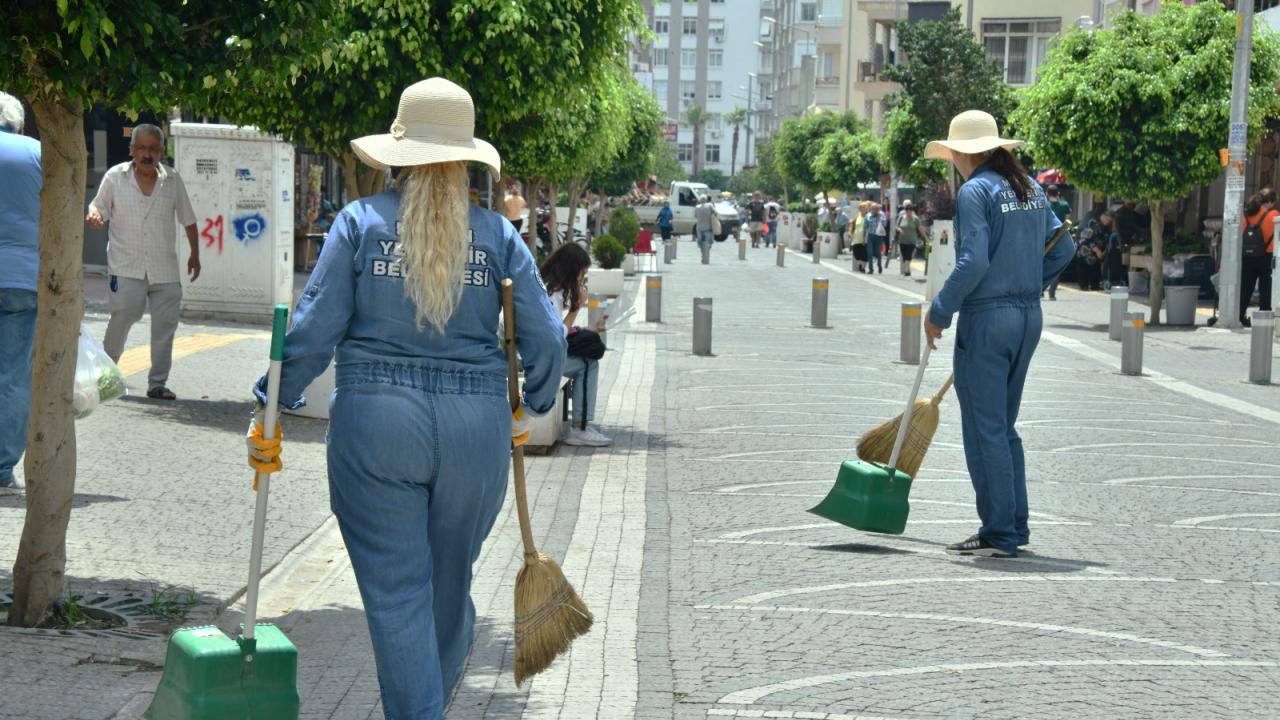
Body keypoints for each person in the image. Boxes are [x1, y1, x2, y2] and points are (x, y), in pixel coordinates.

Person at [246, 78, 566, 718]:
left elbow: (312, 329)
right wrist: (530, 402)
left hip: (378, 422)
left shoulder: (360, 224)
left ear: (398, 154)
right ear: (465, 160)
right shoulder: (499, 237)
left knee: (398, 594)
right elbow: (547, 336)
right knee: (449, 589)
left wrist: (270, 403)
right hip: (477, 427)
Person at [922, 110, 1074, 558]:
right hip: (1028, 317)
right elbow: (1064, 247)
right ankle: (1014, 523)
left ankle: (999, 530)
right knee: (1004, 427)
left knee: (985, 429)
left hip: (988, 319)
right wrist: (1029, 280)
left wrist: (939, 311)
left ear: (958, 153)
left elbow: (973, 263)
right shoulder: (1030, 188)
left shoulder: (975, 191)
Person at [85, 123, 199, 400]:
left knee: (165, 326)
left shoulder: (172, 180)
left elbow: (189, 219)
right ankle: (104, 378)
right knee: (122, 317)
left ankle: (157, 383)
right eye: (142, 148)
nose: (147, 154)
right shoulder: (115, 177)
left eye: (153, 149)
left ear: (161, 152)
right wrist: (94, 215)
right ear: (132, 150)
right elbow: (97, 205)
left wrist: (195, 254)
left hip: (165, 269)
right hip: (126, 266)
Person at [0, 92, 40, 491]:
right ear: (20, 125)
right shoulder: (37, 152)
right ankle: (0, 468)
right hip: (22, 280)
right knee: (11, 375)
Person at [539, 243, 612, 447]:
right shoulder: (553, 294)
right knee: (587, 364)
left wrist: (587, 329)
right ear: (572, 271)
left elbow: (553, 330)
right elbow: (555, 337)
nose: (582, 280)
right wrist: (575, 309)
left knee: (585, 356)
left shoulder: (545, 285)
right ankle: (580, 428)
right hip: (531, 360)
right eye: (582, 275)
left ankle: (580, 425)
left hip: (530, 353)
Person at [1240, 188, 1277, 327]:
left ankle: (1240, 315)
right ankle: (1264, 318)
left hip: (1247, 255)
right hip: (1266, 255)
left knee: (1245, 287)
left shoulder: (1248, 214)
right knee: (1265, 287)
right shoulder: (1273, 214)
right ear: (1270, 201)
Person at [1044, 186, 1070, 299]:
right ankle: (1052, 293)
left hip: (1044, 236)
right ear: (1058, 193)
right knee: (1055, 261)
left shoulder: (1045, 205)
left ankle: (1040, 290)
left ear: (1047, 194)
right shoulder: (1064, 205)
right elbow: (1068, 220)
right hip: (1059, 237)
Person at [895, 203, 926, 277]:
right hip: (902, 241)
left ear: (912, 211)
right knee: (905, 257)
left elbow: (920, 228)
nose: (908, 213)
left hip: (912, 241)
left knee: (908, 255)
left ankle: (906, 270)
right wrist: (899, 230)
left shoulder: (915, 219)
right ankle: (908, 270)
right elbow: (896, 226)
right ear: (905, 211)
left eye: (910, 211)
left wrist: (925, 237)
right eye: (907, 211)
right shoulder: (901, 218)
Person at [864, 203, 887, 273]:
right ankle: (871, 269)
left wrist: (880, 218)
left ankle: (879, 265)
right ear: (871, 209)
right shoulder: (868, 215)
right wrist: (864, 237)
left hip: (879, 236)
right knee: (869, 253)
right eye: (873, 209)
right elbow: (865, 227)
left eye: (877, 209)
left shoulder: (882, 214)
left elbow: (885, 224)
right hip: (870, 235)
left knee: (878, 252)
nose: (875, 210)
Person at [850, 200, 870, 272]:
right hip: (856, 238)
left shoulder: (869, 216)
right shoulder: (857, 216)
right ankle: (861, 265)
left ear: (867, 208)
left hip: (865, 238)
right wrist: (850, 232)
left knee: (864, 253)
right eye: (861, 207)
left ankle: (863, 268)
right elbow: (853, 225)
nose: (862, 209)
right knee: (856, 253)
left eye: (864, 207)